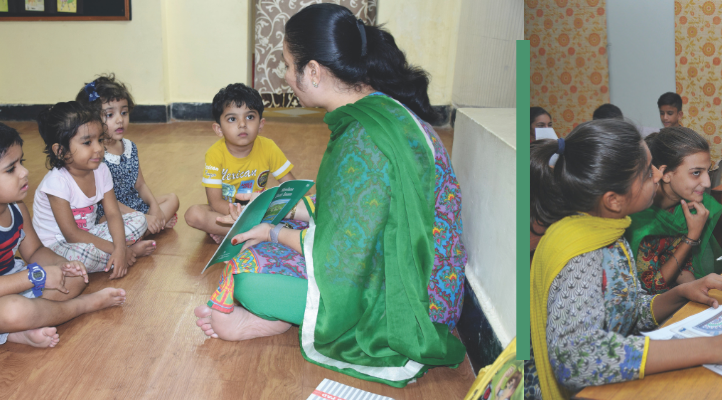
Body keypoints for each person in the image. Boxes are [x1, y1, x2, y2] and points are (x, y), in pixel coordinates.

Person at [191, 3, 468, 388]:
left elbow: (345, 252)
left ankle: (270, 317)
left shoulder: (364, 139)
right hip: (400, 267)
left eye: (289, 65)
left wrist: (274, 233)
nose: (285, 76)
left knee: (246, 279)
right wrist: (283, 213)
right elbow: (358, 215)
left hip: (408, 301)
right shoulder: (377, 111)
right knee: (267, 227)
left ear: (315, 72)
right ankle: (275, 313)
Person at [525, 119, 722, 399]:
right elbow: (576, 359)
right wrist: (717, 346)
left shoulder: (606, 234)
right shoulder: (582, 254)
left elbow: (626, 308)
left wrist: (681, 292)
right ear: (613, 200)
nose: (657, 175)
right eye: (646, 173)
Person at [0, 118, 126, 348]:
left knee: (75, 276)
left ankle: (20, 329)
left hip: (7, 279)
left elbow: (35, 251)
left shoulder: (15, 205)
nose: (24, 172)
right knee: (14, 311)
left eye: (21, 162)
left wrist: (61, 264)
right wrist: (35, 277)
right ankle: (84, 305)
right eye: (11, 169)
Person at [32, 102, 153, 278]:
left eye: (100, 140)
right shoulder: (56, 182)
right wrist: (118, 249)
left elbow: (113, 214)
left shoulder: (101, 170)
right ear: (60, 151)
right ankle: (127, 254)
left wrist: (120, 248)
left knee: (140, 220)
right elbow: (71, 234)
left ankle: (121, 254)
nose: (98, 148)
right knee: (82, 258)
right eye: (87, 142)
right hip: (58, 246)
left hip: (89, 235)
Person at [183, 83, 297, 243]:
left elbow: (292, 187)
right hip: (227, 212)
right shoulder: (215, 154)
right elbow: (215, 202)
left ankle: (237, 233)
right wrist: (241, 214)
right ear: (219, 129)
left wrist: (309, 205)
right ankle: (258, 231)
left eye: (250, 117)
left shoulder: (269, 147)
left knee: (299, 205)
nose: (242, 124)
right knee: (193, 214)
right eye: (232, 119)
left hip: (259, 210)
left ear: (261, 124)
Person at [75, 74, 180, 236]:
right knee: (107, 224)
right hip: (112, 211)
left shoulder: (130, 147)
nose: (119, 120)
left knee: (172, 199)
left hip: (134, 205)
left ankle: (146, 228)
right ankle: (149, 228)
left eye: (124, 112)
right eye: (110, 115)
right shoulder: (96, 156)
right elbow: (106, 202)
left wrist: (154, 207)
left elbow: (141, 185)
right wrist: (143, 217)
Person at [625, 127, 722, 294]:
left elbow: (683, 269)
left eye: (708, 170)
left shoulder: (692, 205)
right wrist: (691, 237)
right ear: (666, 174)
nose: (707, 182)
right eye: (696, 173)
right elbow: (652, 286)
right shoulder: (640, 218)